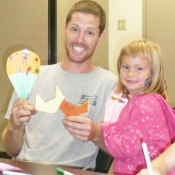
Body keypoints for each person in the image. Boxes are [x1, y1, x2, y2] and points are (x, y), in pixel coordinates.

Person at [2, 0, 118, 170]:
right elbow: (12, 150)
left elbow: (122, 149)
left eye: (89, 33)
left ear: (101, 37)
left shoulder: (110, 84)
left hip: (72, 171)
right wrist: (13, 127)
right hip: (26, 169)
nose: (79, 40)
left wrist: (96, 134)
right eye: (75, 29)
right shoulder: (32, 75)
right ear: (65, 28)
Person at [63, 39, 175, 174]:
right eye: (126, 67)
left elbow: (126, 147)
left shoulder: (146, 104)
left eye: (139, 68)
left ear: (152, 73)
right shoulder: (137, 101)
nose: (130, 74)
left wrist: (104, 128)